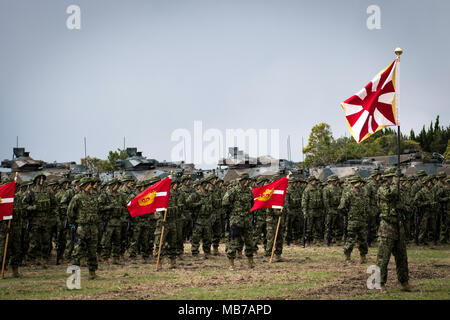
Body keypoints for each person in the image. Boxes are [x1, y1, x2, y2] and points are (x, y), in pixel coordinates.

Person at [376, 169, 411, 292]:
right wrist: (395, 183)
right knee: (383, 258)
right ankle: (381, 284)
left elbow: (408, 205)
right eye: (393, 177)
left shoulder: (400, 190)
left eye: (396, 178)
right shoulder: (383, 189)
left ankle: (404, 281)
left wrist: (404, 207)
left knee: (402, 257)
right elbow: (389, 195)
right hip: (387, 226)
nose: (395, 180)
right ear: (388, 178)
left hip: (399, 226)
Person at [67, 177, 101, 280]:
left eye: (90, 184)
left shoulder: (94, 197)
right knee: (78, 251)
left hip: (93, 227)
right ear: (82, 186)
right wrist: (74, 224)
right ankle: (74, 275)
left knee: (92, 250)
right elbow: (70, 213)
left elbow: (97, 210)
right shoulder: (77, 198)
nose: (90, 186)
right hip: (82, 228)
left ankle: (92, 273)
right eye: (87, 185)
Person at [222, 174, 255, 270]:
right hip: (236, 220)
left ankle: (250, 261)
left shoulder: (249, 192)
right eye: (246, 180)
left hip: (247, 219)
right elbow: (224, 203)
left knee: (249, 241)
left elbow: (252, 204)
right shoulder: (233, 191)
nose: (247, 182)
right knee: (233, 241)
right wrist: (232, 212)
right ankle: (231, 263)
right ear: (242, 181)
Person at [338, 175, 368, 263]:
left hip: (362, 220)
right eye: (355, 183)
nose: (357, 185)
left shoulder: (363, 193)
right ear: (351, 184)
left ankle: (363, 257)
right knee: (350, 239)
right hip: (352, 221)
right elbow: (342, 207)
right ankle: (347, 257)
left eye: (358, 183)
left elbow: (366, 206)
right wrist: (348, 214)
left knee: (363, 240)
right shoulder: (348, 194)